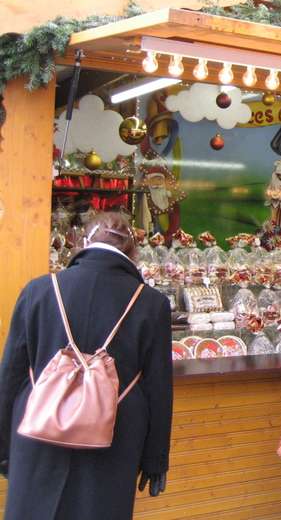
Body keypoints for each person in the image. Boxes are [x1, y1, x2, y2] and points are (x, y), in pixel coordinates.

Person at [0, 212, 173, 520]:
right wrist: (155, 458)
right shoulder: (152, 303)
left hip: (38, 425)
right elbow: (159, 387)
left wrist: (2, 444)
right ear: (133, 251)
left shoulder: (37, 290)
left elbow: (11, 375)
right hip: (115, 432)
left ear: (83, 242)